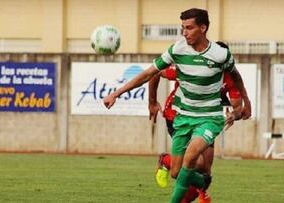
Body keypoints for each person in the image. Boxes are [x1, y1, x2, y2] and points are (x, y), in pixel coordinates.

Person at [103, 8, 251, 203]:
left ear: (203, 28)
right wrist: (117, 93)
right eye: (183, 28)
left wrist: (244, 105)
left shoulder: (221, 55)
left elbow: (237, 79)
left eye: (189, 28)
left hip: (209, 118)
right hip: (182, 117)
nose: (184, 32)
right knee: (177, 172)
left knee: (192, 160)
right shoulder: (178, 50)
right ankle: (201, 183)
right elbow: (150, 73)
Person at [150, 48, 244, 203]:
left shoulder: (229, 77)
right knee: (193, 163)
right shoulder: (196, 68)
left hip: (206, 118)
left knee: (205, 169)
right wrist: (152, 101)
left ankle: (200, 190)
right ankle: (168, 161)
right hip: (178, 116)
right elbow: (156, 71)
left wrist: (234, 114)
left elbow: (237, 106)